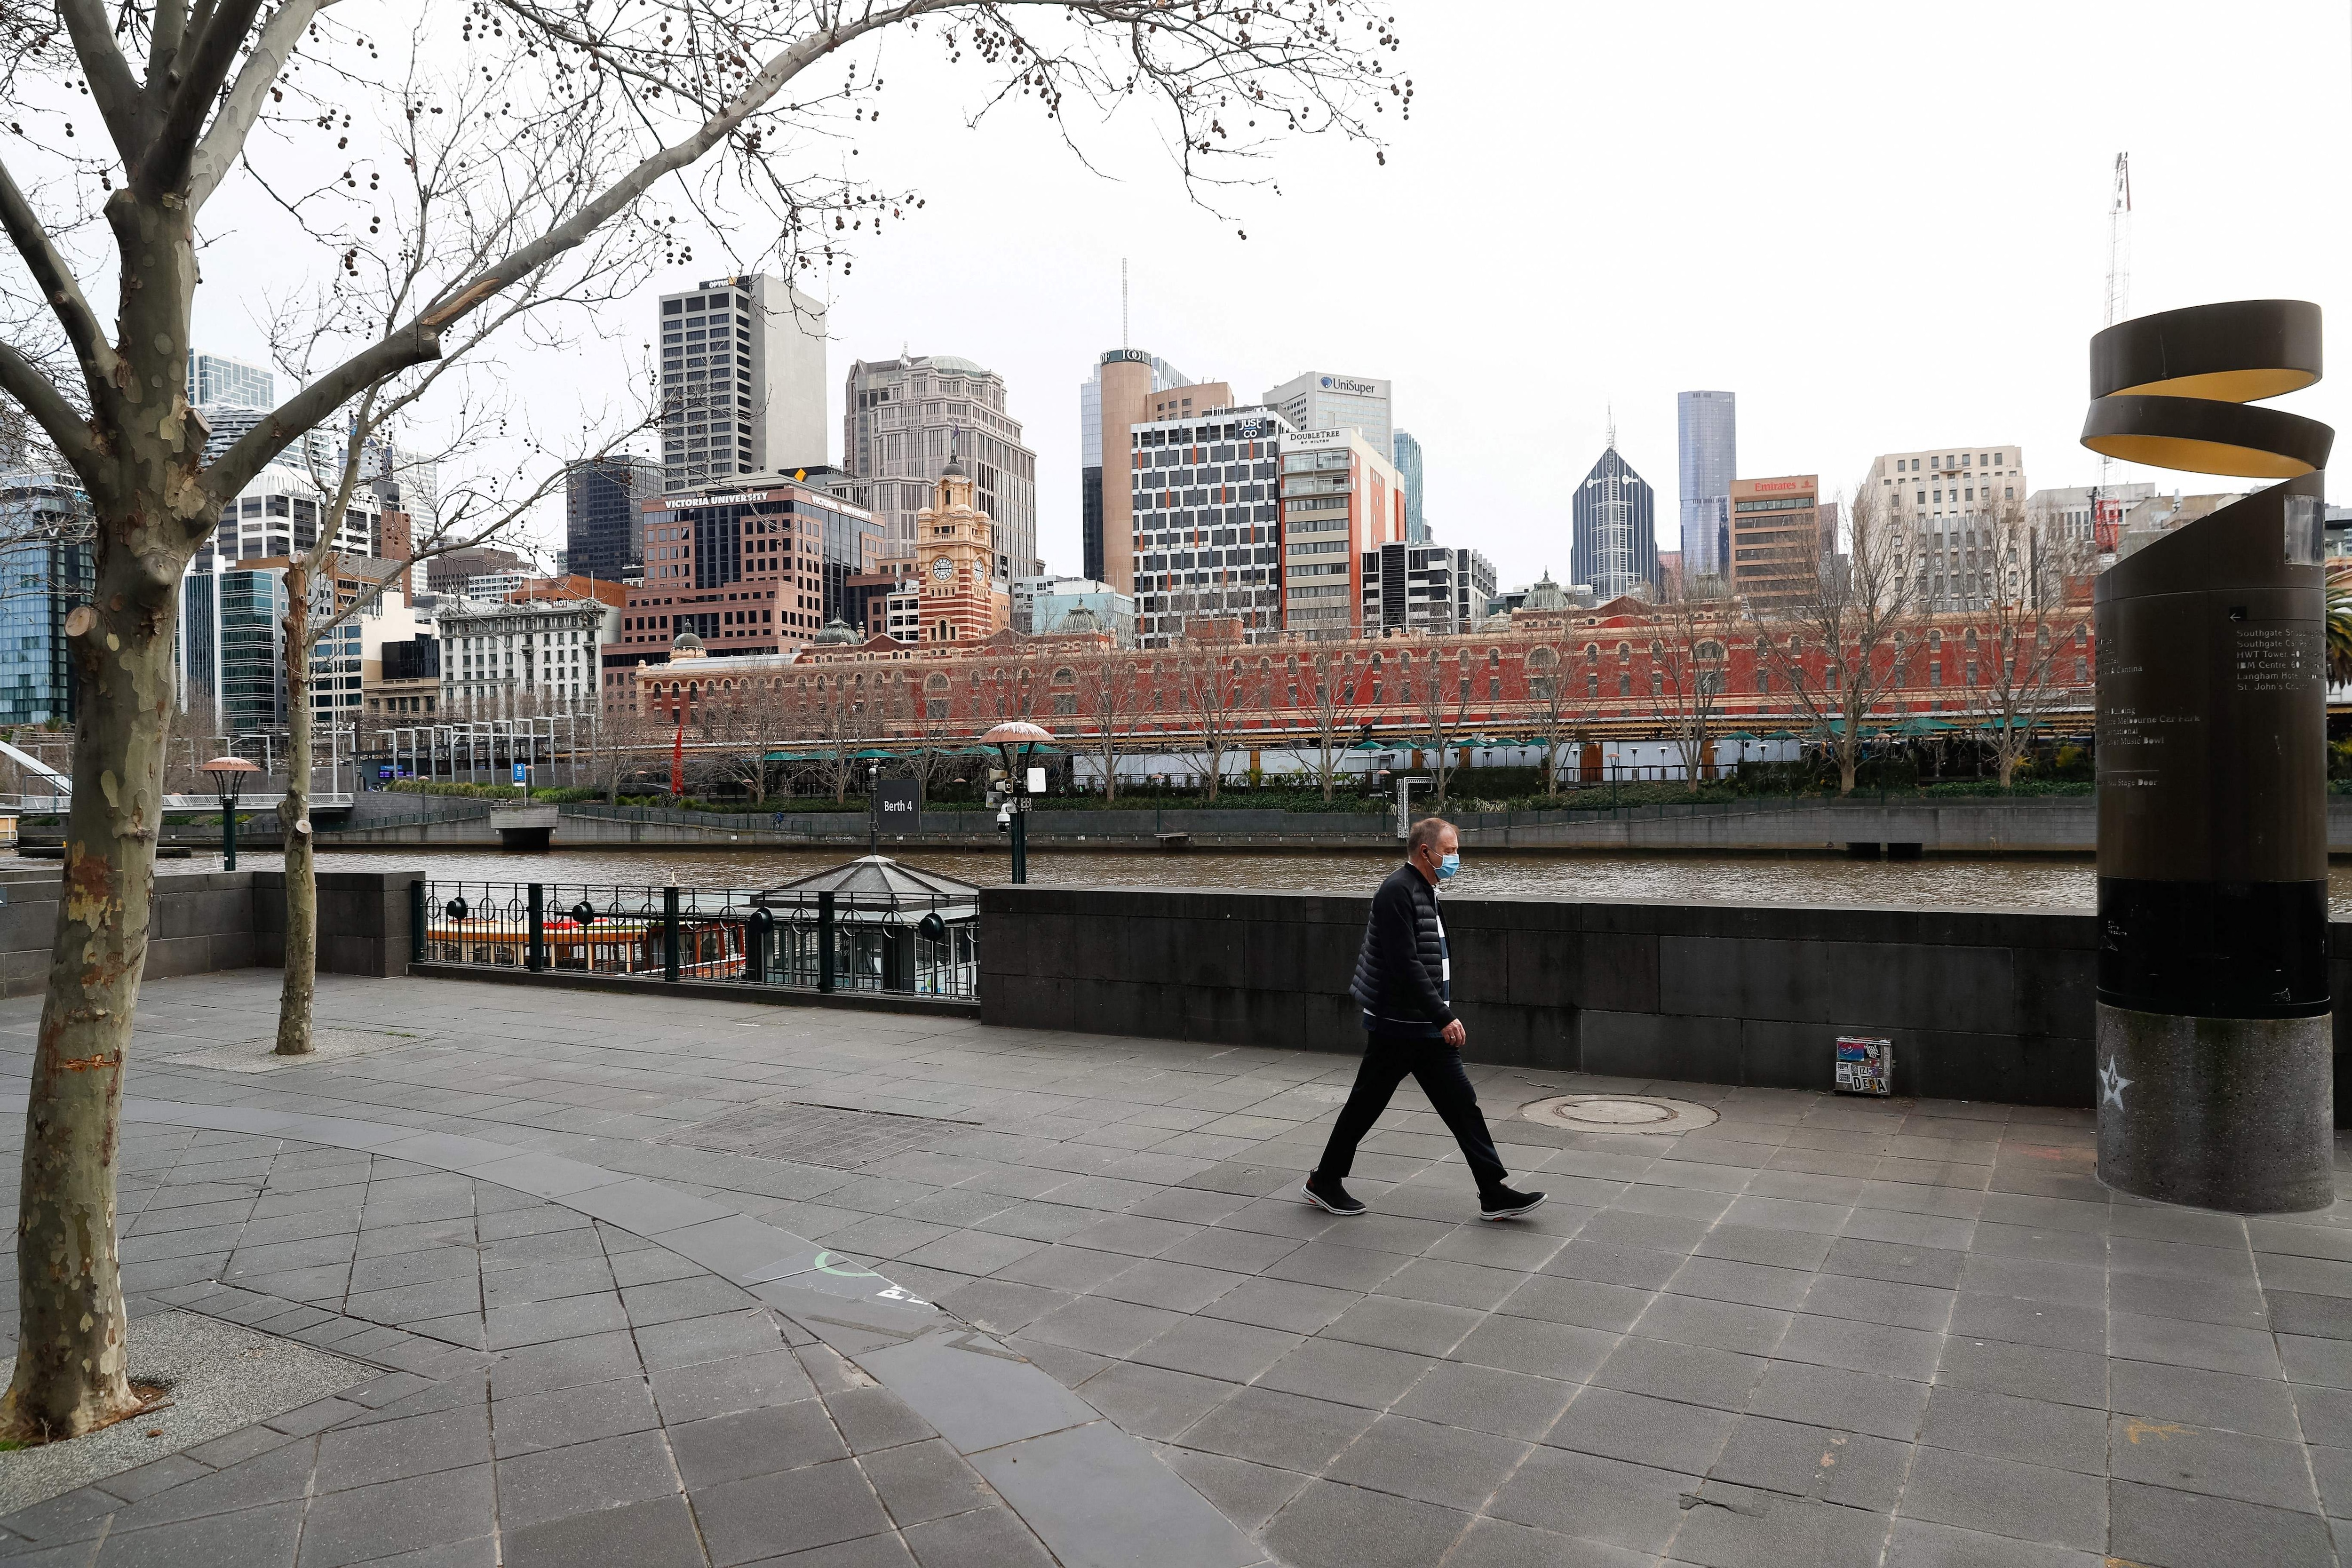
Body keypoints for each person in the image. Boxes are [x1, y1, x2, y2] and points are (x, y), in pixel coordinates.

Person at [1304, 817, 1546, 1221]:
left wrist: (1437, 1016)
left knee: (1462, 1105)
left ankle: (1493, 1191)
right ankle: (1324, 1181)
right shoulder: (1396, 891)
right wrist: (1443, 1015)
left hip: (1422, 1027)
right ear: (1425, 852)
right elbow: (1405, 964)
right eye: (1449, 851)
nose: (1455, 858)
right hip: (1399, 1026)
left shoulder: (1424, 889)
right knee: (1365, 1106)